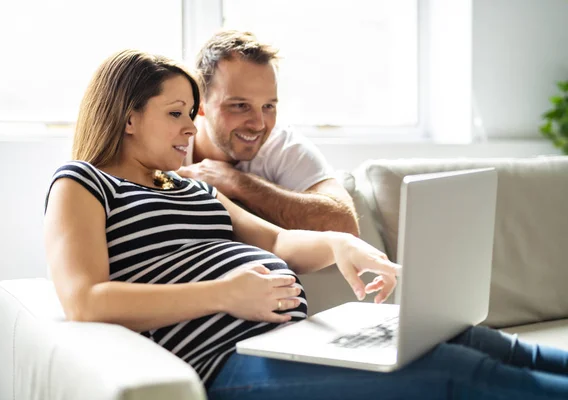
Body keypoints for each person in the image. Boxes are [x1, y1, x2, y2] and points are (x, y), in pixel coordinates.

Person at [43, 49, 568, 400]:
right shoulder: (83, 183)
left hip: (291, 338)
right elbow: (86, 300)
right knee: (458, 376)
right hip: (226, 362)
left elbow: (278, 240)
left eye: (192, 113)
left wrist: (341, 245)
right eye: (176, 113)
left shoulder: (191, 186)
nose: (190, 127)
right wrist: (225, 294)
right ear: (128, 117)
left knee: (478, 343)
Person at [176, 30, 359, 235]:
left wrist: (238, 182)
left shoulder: (281, 146)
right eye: (240, 105)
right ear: (199, 103)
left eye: (268, 107)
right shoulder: (165, 142)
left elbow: (346, 226)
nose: (259, 125)